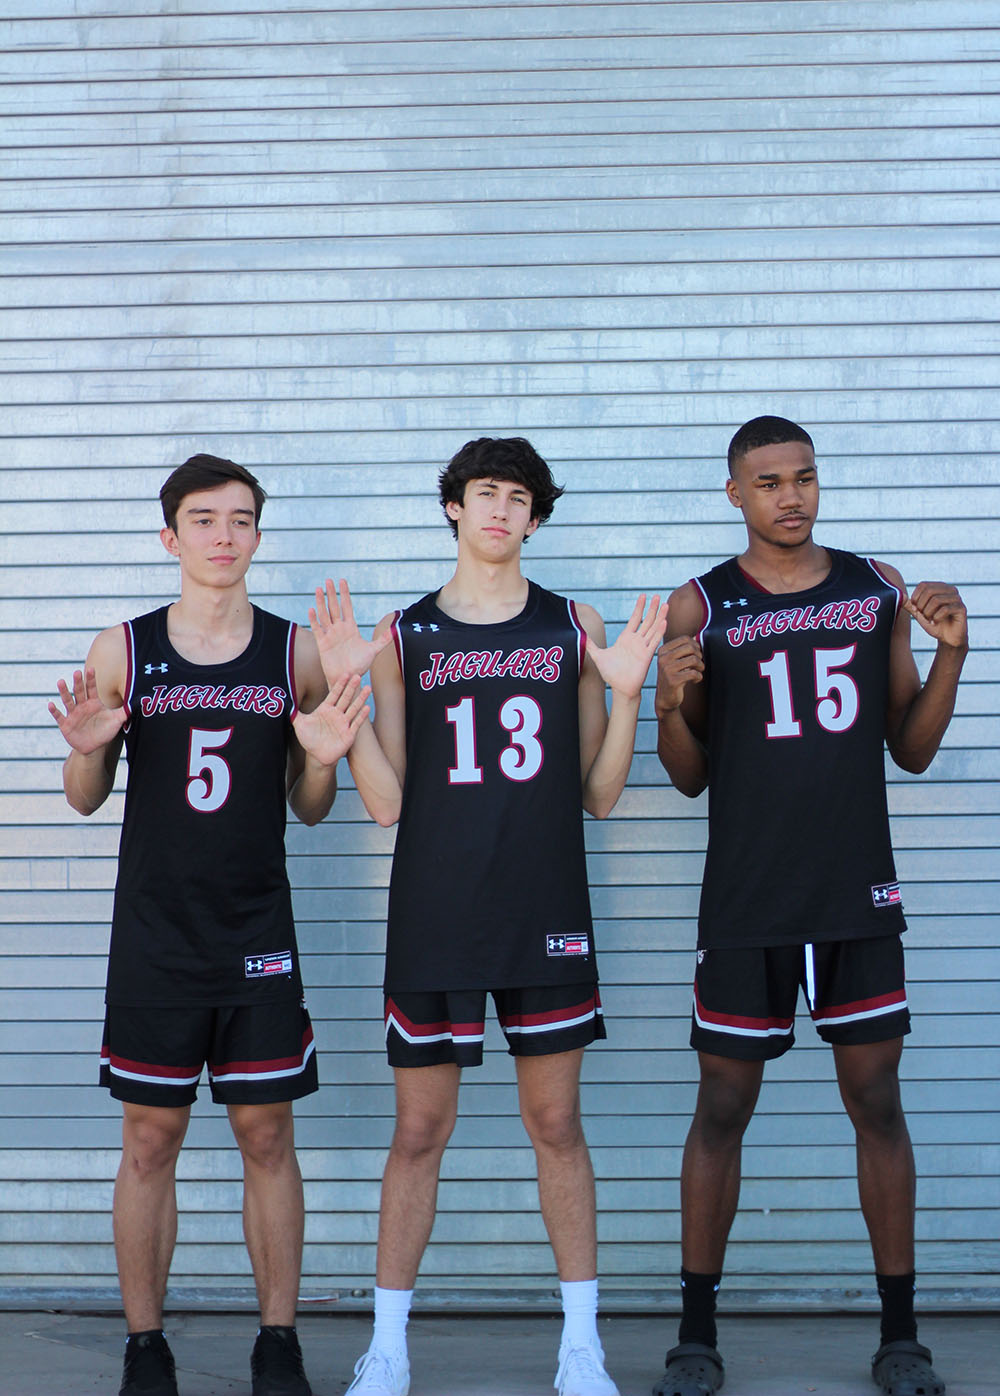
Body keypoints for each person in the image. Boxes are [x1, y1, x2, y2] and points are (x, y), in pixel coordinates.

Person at [308, 436, 667, 1396]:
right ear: (454, 509)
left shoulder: (570, 627)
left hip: (544, 906)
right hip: (436, 914)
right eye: (484, 494)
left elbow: (598, 793)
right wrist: (345, 721)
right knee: (418, 1133)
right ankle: (387, 1348)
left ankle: (579, 1347)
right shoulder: (401, 635)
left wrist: (629, 699)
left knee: (557, 1123)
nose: (501, 510)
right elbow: (388, 802)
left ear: (536, 517)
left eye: (519, 497)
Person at [652, 415, 968, 1396]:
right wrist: (666, 702)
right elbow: (690, 776)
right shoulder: (697, 605)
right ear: (734, 494)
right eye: (769, 481)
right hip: (748, 896)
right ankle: (695, 1336)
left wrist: (952, 653)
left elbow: (908, 749)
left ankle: (899, 1334)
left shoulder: (874, 588)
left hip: (852, 889)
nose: (791, 496)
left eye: (805, 478)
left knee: (876, 1100)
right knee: (722, 1105)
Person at [49, 454, 371, 1396]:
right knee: (150, 1141)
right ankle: (145, 1350)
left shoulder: (292, 652)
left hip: (255, 932)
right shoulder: (125, 648)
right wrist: (84, 753)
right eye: (203, 520)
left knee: (267, 1135)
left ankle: (279, 1344)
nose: (222, 535)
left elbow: (309, 806)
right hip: (156, 937)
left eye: (239, 520)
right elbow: (83, 799)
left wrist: (322, 760)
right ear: (170, 536)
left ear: (258, 537)